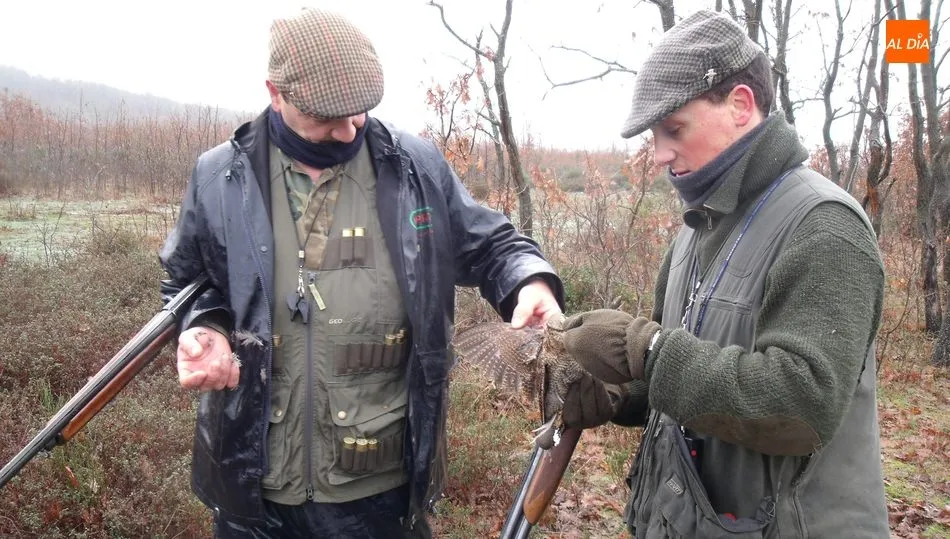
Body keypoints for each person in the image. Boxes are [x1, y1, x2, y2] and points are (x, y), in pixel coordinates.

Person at [158, 7, 564, 537]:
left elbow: (493, 244)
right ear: (275, 93)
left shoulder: (414, 166)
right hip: (253, 487)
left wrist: (527, 281)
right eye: (330, 115)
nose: (351, 127)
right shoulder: (219, 176)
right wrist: (204, 327)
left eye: (361, 111)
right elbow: (187, 282)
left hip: (381, 493)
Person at [548, 9, 890, 538]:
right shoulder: (697, 228)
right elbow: (678, 380)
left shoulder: (823, 226)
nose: (659, 154)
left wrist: (645, 347)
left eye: (673, 129)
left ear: (740, 105)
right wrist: (616, 394)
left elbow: (801, 406)